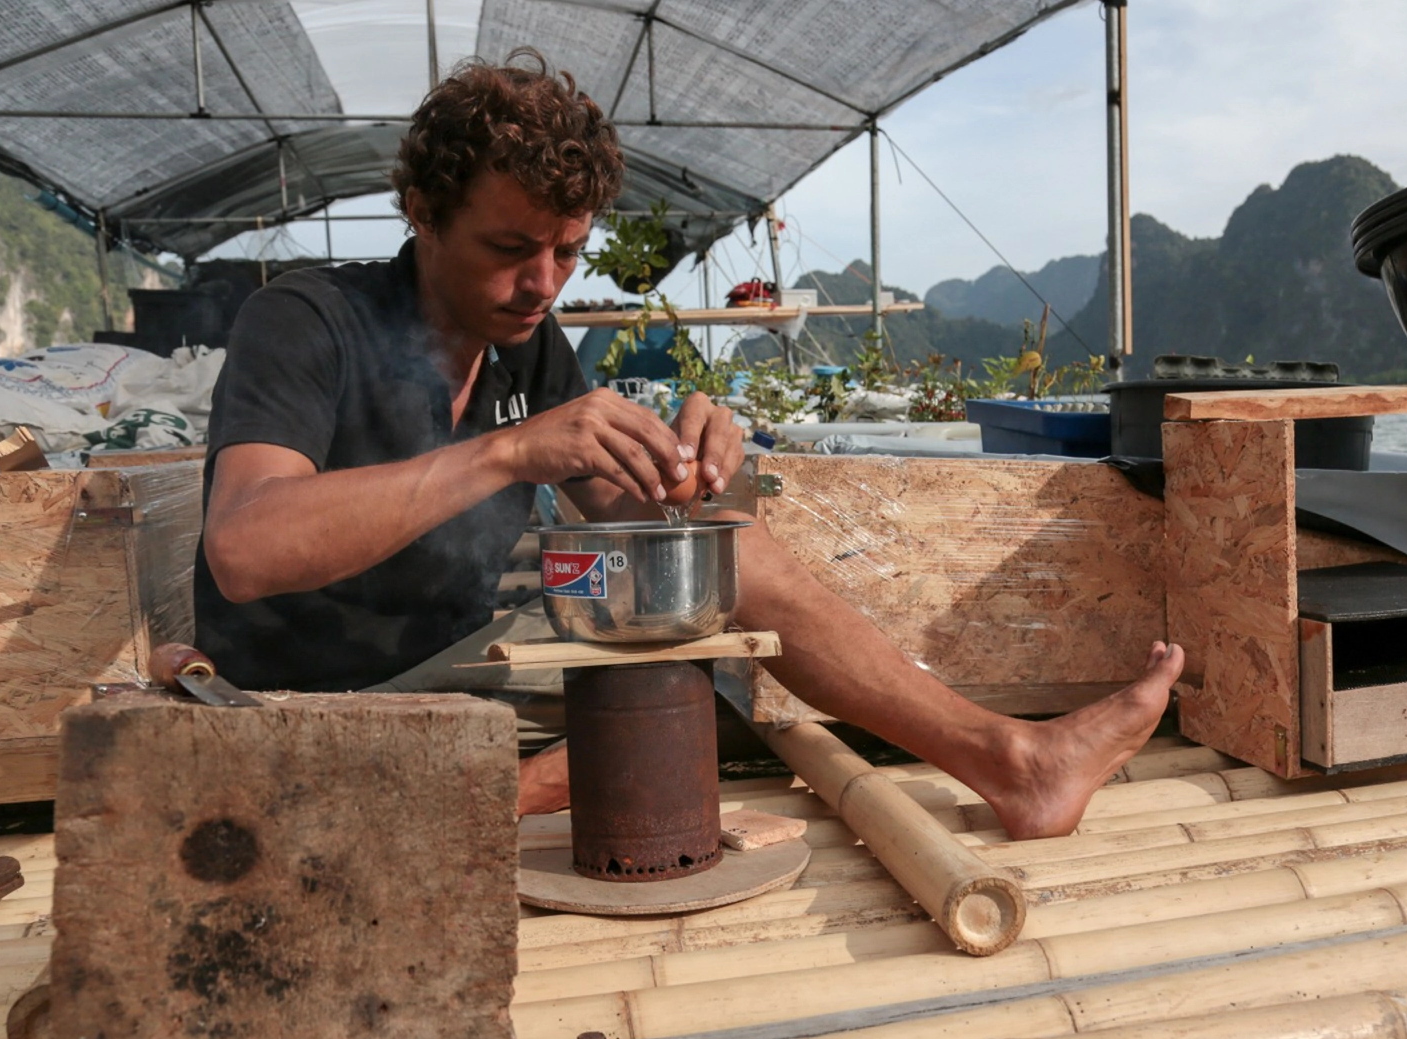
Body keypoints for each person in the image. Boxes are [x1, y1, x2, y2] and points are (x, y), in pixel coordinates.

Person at [194, 52, 1183, 840]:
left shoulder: (523, 348)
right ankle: (444, 796)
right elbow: (245, 548)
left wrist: (701, 467)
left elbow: (649, 518)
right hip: (308, 701)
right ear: (421, 213)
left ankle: (1012, 763)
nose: (542, 283)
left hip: (466, 672)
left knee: (708, 607)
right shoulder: (307, 322)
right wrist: (506, 454)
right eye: (508, 249)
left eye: (567, 251)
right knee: (660, 734)